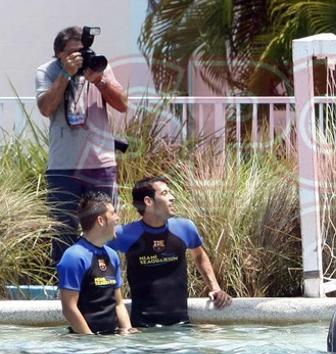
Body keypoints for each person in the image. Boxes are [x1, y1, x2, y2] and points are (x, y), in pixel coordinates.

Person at [35, 26, 128, 266]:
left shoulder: (99, 66)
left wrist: (100, 81)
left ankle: (106, 287)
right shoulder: (47, 71)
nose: (81, 57)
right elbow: (46, 108)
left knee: (105, 227)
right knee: (63, 231)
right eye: (74, 53)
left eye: (83, 51)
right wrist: (65, 74)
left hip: (100, 165)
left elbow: (122, 104)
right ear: (59, 54)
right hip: (63, 167)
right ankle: (66, 290)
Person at [108, 176, 232, 327]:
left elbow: (199, 255)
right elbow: (93, 251)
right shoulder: (125, 234)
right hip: (142, 329)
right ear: (148, 201)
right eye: (165, 193)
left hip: (181, 325)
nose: (172, 198)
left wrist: (215, 288)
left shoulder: (185, 228)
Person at [57, 192, 134, 334]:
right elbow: (69, 308)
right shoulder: (73, 257)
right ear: (101, 220)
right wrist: (90, 341)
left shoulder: (112, 255)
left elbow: (118, 303)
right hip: (85, 343)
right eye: (112, 213)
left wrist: (127, 332)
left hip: (111, 339)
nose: (117, 218)